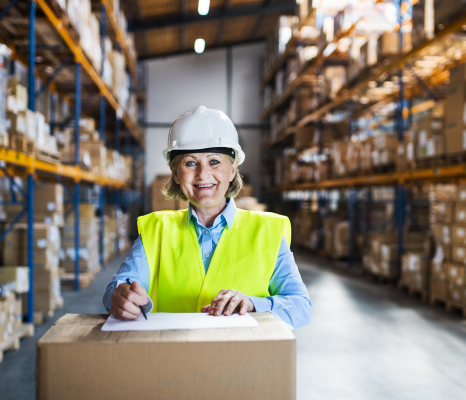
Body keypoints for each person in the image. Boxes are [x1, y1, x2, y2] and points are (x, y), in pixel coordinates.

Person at [103, 106, 312, 328]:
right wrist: (122, 297)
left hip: (241, 358)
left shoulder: (268, 230)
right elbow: (118, 288)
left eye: (214, 161)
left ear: (232, 169)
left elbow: (300, 308)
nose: (203, 174)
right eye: (190, 163)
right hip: (170, 356)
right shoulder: (156, 228)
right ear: (175, 172)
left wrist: (253, 304)